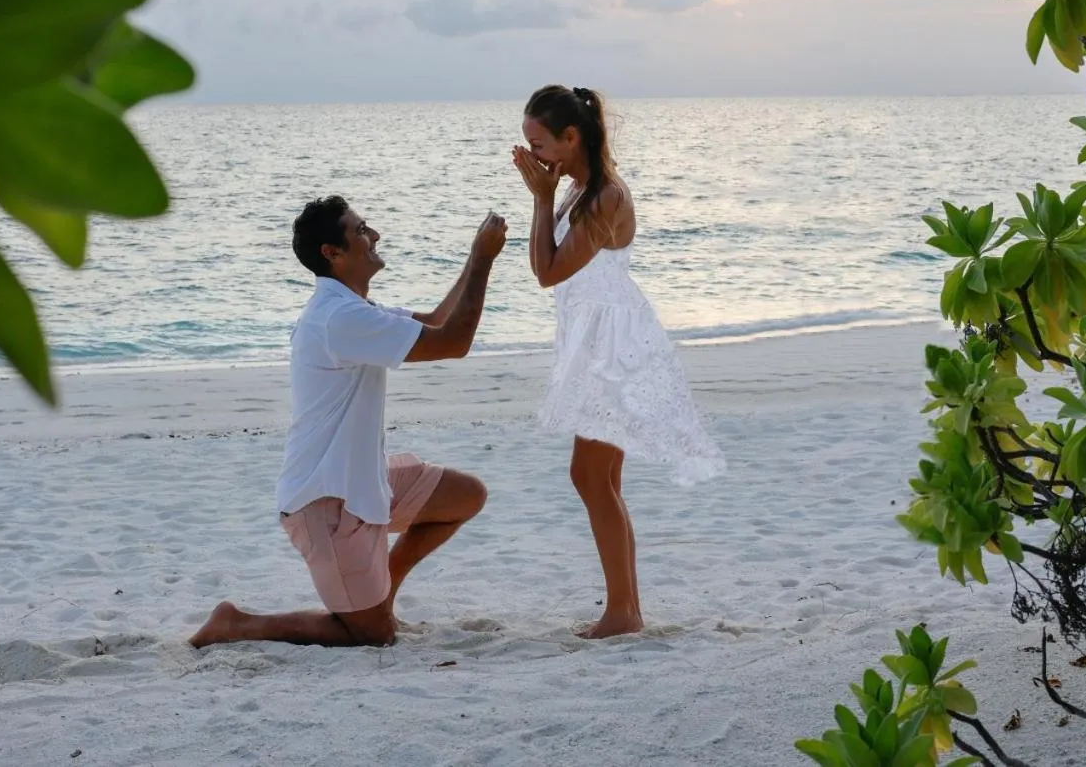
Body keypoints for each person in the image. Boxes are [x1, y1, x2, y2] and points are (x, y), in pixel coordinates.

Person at [190, 196, 507, 648]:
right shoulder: (340, 318)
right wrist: (482, 259)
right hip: (326, 503)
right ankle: (237, 623)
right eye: (361, 231)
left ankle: (382, 592)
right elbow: (454, 342)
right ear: (331, 253)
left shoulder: (355, 309)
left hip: (362, 482)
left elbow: (439, 322)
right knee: (371, 637)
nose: (373, 236)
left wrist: (475, 256)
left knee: (465, 496)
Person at [511, 84, 725, 639]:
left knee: (589, 476)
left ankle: (624, 613)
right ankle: (625, 608)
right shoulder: (577, 189)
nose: (532, 154)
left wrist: (537, 198)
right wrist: (545, 195)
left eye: (539, 142)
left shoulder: (603, 195)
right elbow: (550, 269)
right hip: (593, 335)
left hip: (612, 343)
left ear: (571, 136)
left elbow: (547, 271)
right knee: (599, 477)